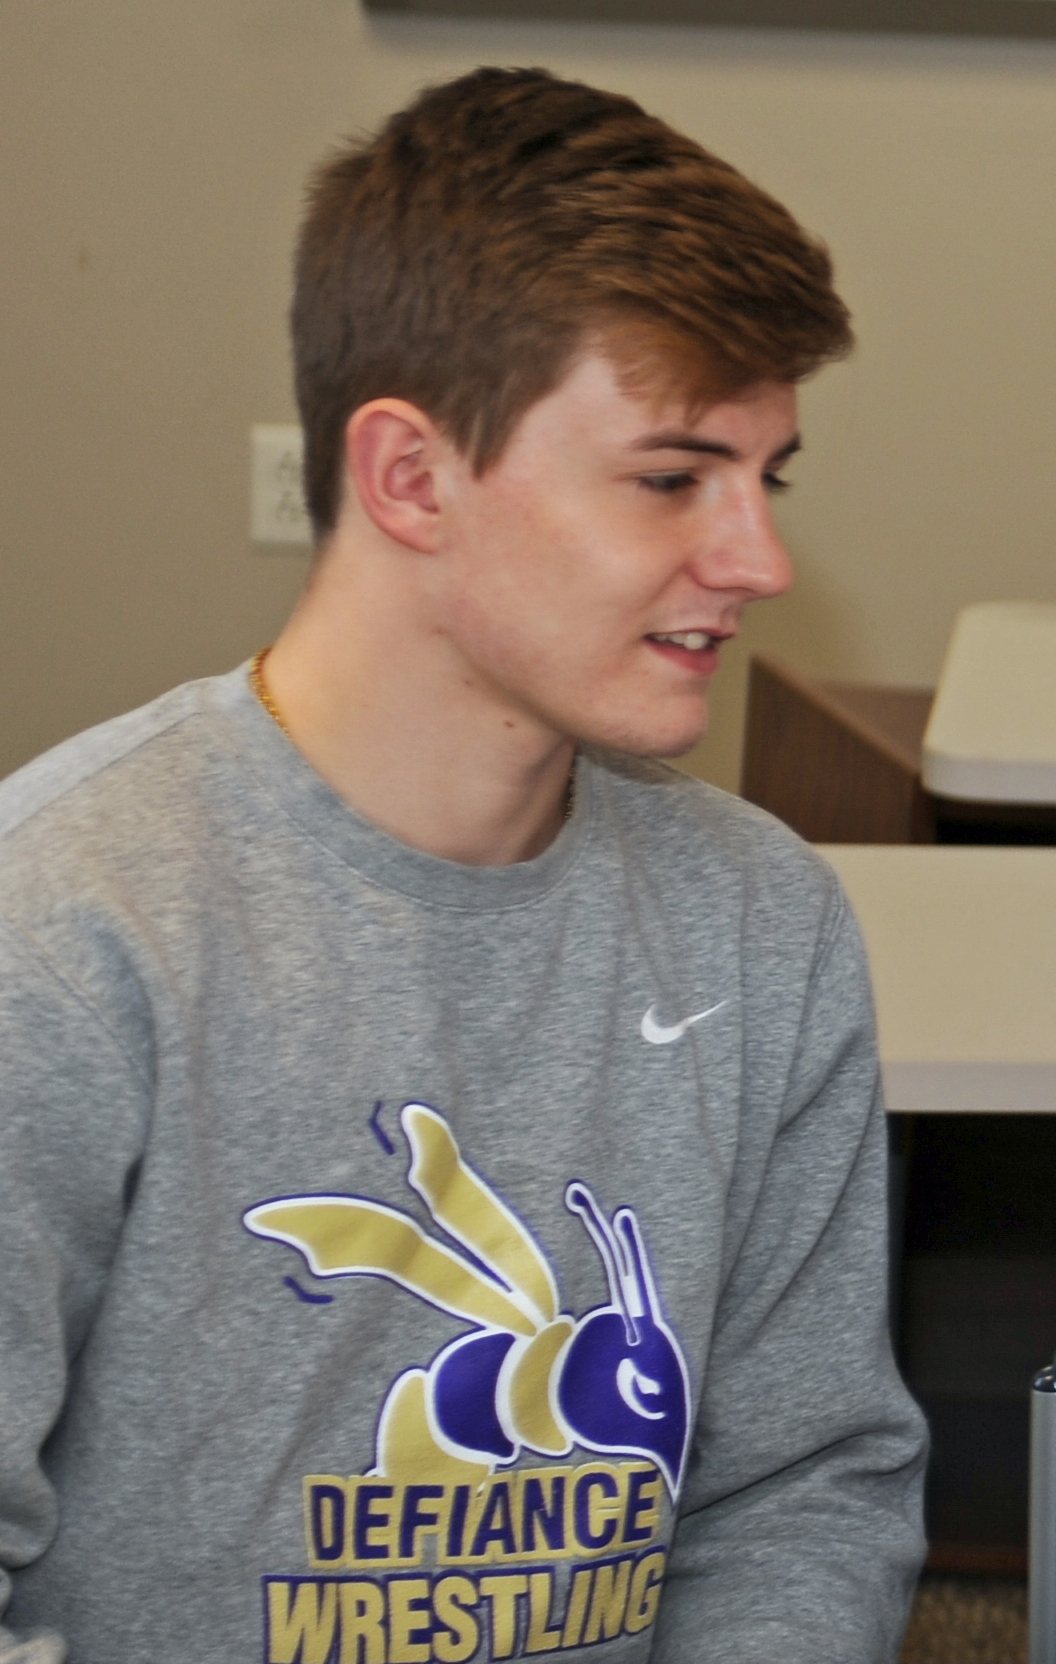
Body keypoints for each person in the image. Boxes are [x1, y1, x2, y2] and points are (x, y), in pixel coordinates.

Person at [0, 68, 926, 1663]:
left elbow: (801, 1490)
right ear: (410, 476)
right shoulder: (68, 929)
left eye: (764, 480)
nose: (757, 561)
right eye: (669, 477)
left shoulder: (761, 924)